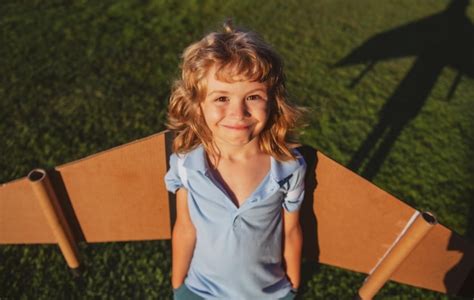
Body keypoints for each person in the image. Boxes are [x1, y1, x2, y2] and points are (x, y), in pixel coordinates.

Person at [164, 20, 307, 300]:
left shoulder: (289, 167)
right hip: (199, 291)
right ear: (197, 105)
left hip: (271, 294)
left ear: (273, 101)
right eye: (221, 99)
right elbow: (184, 227)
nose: (238, 112)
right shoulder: (185, 163)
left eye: (252, 96)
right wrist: (178, 285)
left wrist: (294, 287)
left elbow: (291, 231)